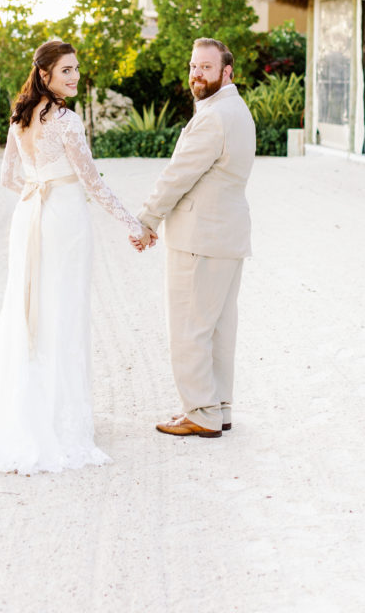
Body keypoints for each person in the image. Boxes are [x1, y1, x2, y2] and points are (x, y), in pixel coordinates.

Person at [0, 39, 144, 474]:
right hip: (63, 220)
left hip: (30, 215)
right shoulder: (67, 121)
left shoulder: (20, 118)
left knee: (29, 311)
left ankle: (29, 413)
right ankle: (61, 422)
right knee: (62, 312)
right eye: (66, 71)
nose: (75, 77)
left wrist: (36, 192)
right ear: (45, 74)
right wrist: (132, 223)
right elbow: (93, 185)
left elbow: (8, 176)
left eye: (76, 69)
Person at [131, 37, 255, 438]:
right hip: (227, 238)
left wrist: (146, 219)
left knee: (189, 328)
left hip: (200, 240)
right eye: (193, 66)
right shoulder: (238, 112)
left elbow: (178, 175)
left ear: (227, 72)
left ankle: (200, 412)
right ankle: (219, 406)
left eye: (205, 67)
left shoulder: (213, 117)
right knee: (217, 328)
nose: (197, 74)